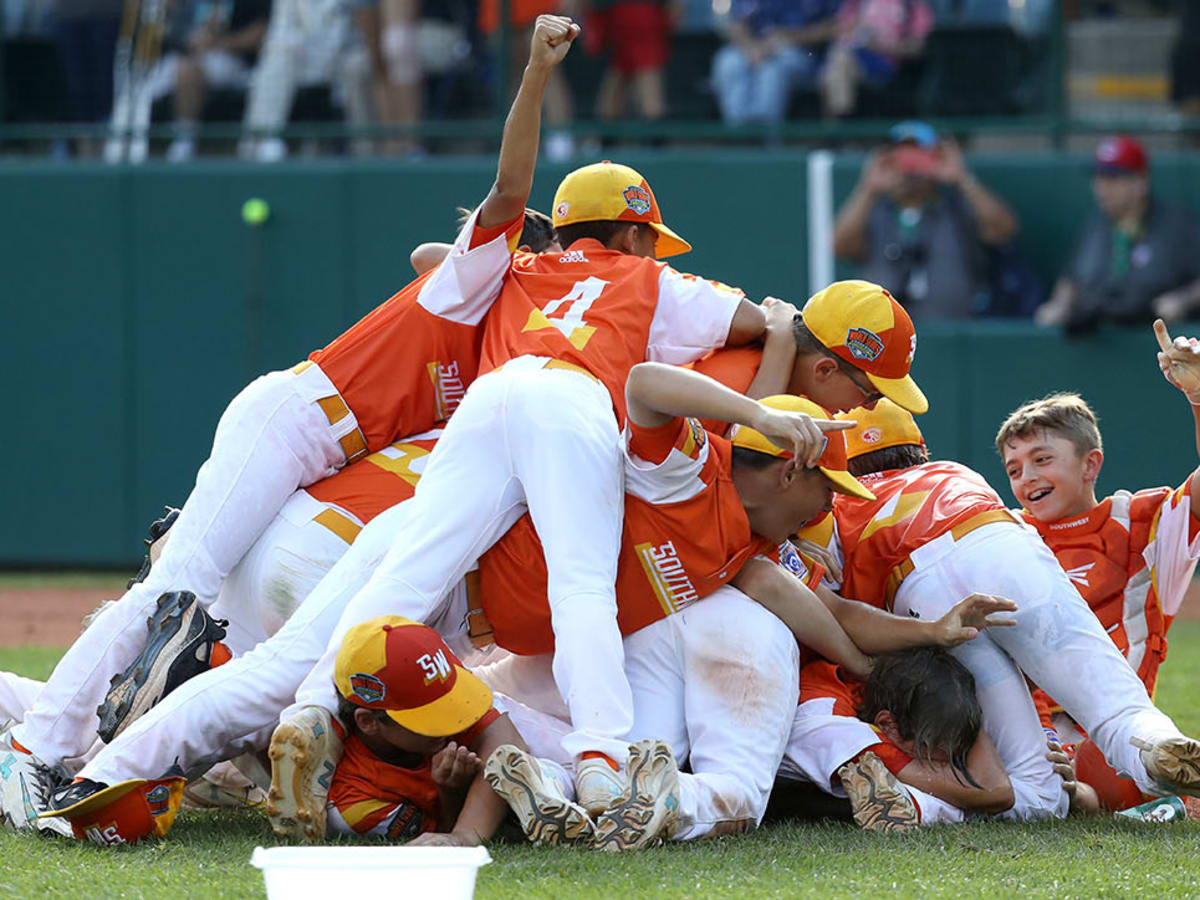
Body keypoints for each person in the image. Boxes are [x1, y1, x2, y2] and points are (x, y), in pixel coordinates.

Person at [0, 38, 562, 830]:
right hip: (296, 413)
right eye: (548, 264)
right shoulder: (476, 286)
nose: (559, 281)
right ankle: (35, 751)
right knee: (174, 590)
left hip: (318, 455)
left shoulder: (502, 339)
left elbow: (428, 256)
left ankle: (49, 728)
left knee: (187, 636)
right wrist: (536, 75)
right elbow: (480, 215)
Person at [795, 398, 1200, 820]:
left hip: (918, 586)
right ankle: (1152, 743)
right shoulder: (953, 473)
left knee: (1038, 793)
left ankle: (921, 806)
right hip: (997, 537)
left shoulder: (838, 508)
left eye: (1043, 459)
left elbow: (838, 612)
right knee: (1122, 714)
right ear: (919, 450)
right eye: (1016, 467)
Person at [995, 319, 1200, 811]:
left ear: (1091, 464)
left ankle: (1096, 798)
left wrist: (1198, 397)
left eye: (1043, 459)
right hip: (1021, 732)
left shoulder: (1143, 523)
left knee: (1112, 769)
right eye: (1014, 469)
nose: (1027, 478)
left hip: (1109, 739)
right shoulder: (1002, 533)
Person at [781, 647, 1013, 831]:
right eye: (930, 756)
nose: (946, 765)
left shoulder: (902, 704)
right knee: (946, 798)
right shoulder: (838, 728)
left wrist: (969, 714)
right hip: (784, 786)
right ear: (886, 724)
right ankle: (919, 806)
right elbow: (997, 793)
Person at [832, 121, 1019, 320]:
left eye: (920, 156)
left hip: (953, 331)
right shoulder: (874, 210)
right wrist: (868, 188)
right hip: (885, 336)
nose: (910, 168)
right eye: (902, 157)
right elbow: (841, 246)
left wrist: (962, 178)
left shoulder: (957, 207)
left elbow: (1003, 230)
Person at [1034, 136, 1200, 331]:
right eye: (1098, 178)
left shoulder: (1177, 225)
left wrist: (1183, 300)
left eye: (1113, 179)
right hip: (1096, 341)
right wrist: (1060, 305)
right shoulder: (1095, 226)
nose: (1101, 188)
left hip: (1156, 341)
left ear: (1141, 181)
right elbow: (1072, 277)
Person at [147, 0, 271, 162]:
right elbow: (165, 26)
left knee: (187, 69)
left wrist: (216, 43)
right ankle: (135, 145)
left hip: (232, 59)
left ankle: (184, 139)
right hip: (179, 55)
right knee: (147, 86)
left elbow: (261, 32)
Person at [711, 0, 839, 128]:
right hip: (755, 47)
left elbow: (836, 26)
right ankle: (738, 132)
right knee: (728, 61)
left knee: (772, 69)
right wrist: (751, 47)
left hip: (801, 52)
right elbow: (736, 22)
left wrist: (790, 37)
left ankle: (766, 136)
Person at [819, 0, 934, 118]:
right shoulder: (858, 3)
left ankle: (839, 123)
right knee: (837, 62)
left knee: (836, 65)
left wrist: (879, 46)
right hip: (855, 57)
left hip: (890, 64)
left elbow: (917, 49)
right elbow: (842, 29)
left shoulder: (912, 4)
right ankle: (840, 120)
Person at [587, 0, 675, 128]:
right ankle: (606, 140)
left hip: (645, 21)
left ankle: (656, 139)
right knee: (615, 88)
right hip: (619, 22)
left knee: (649, 89)